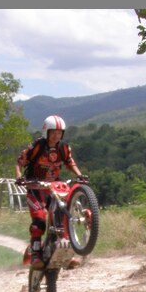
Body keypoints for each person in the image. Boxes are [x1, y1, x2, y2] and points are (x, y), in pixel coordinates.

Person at [15, 115, 88, 269]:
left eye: (59, 133)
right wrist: (19, 177)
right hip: (35, 186)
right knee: (39, 220)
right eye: (53, 132)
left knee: (62, 219)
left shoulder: (63, 147)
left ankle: (65, 255)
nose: (56, 136)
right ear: (46, 132)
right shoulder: (36, 146)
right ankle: (35, 254)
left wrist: (79, 175)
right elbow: (20, 162)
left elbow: (69, 162)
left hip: (54, 186)